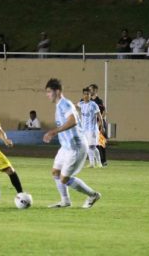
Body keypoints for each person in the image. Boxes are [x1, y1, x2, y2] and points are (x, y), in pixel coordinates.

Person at [43, 78, 101, 208]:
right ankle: (65, 201)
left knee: (65, 178)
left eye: (48, 92)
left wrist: (53, 132)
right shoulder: (59, 106)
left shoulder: (65, 104)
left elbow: (72, 120)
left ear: (57, 91)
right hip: (66, 147)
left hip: (76, 147)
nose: (47, 95)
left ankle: (93, 195)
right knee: (55, 172)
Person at [77, 87, 104, 168]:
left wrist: (101, 126)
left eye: (88, 94)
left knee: (91, 146)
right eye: (85, 94)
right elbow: (73, 106)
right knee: (91, 146)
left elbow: (100, 116)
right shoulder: (81, 104)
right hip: (84, 130)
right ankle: (98, 163)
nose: (86, 96)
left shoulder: (93, 105)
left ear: (90, 95)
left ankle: (93, 163)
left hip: (92, 129)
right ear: (83, 95)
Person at [88, 83, 108, 166]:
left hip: (99, 124)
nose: (89, 91)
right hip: (91, 125)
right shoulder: (88, 100)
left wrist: (100, 124)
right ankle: (95, 161)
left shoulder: (99, 101)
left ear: (95, 90)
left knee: (101, 143)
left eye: (90, 89)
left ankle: (103, 161)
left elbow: (104, 112)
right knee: (92, 143)